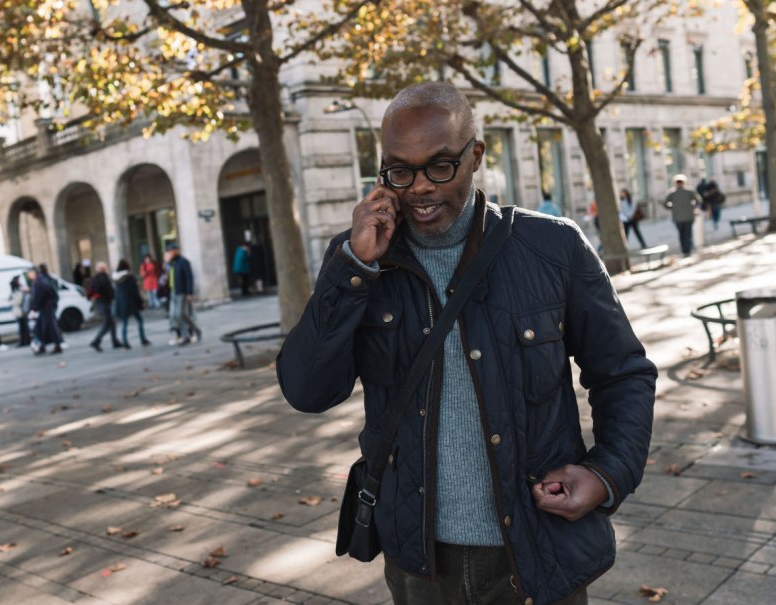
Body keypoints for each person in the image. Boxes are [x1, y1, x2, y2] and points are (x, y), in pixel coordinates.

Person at [277, 82, 656, 605]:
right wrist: (353, 270)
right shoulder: (358, 261)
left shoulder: (553, 247)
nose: (419, 188)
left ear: (476, 155)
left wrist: (607, 472)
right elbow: (307, 390)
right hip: (419, 563)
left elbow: (624, 373)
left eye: (439, 166)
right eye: (399, 170)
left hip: (538, 546)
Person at [165, 242, 201, 345]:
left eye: (171, 251)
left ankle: (189, 334)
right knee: (178, 315)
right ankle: (193, 332)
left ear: (176, 250)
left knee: (180, 314)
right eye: (169, 251)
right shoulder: (173, 263)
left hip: (182, 292)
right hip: (174, 291)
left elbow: (189, 277)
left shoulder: (184, 262)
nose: (170, 253)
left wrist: (189, 292)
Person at [113, 259, 150, 348]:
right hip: (131, 303)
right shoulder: (129, 277)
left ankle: (125, 341)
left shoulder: (116, 279)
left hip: (122, 303)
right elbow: (134, 291)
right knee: (140, 321)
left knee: (124, 323)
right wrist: (141, 302)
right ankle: (143, 339)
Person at [664, 174, 703, 256]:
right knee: (688, 234)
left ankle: (685, 251)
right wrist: (693, 207)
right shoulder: (689, 191)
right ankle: (687, 250)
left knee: (682, 235)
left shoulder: (673, 192)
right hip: (688, 216)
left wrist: (672, 207)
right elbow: (698, 200)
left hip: (678, 217)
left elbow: (665, 204)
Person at [30, 264, 64, 355]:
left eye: (30, 273)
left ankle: (54, 346)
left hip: (46, 308)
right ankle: (44, 346)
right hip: (46, 307)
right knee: (42, 327)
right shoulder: (41, 280)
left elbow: (39, 297)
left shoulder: (39, 282)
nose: (29, 275)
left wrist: (33, 309)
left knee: (48, 327)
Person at [88, 262, 122, 352]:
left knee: (111, 323)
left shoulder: (95, 278)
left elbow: (92, 291)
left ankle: (115, 341)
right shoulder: (103, 278)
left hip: (101, 302)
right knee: (107, 323)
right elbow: (107, 290)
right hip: (104, 303)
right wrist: (111, 297)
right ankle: (96, 341)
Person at [9, 275, 31, 347]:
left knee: (22, 327)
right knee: (24, 326)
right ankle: (26, 340)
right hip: (22, 310)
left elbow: (18, 301)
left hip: (20, 311)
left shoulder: (18, 290)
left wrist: (11, 302)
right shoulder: (20, 288)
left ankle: (24, 341)